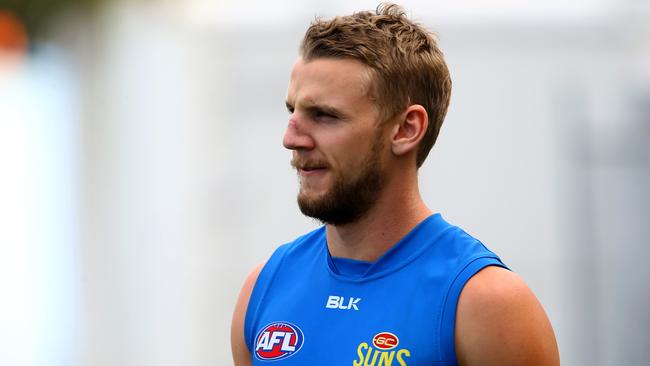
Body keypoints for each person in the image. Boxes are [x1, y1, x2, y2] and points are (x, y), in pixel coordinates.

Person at [231, 3, 560, 365]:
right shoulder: (263, 288)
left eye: (324, 115)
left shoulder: (485, 302)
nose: (291, 138)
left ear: (406, 129)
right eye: (292, 112)